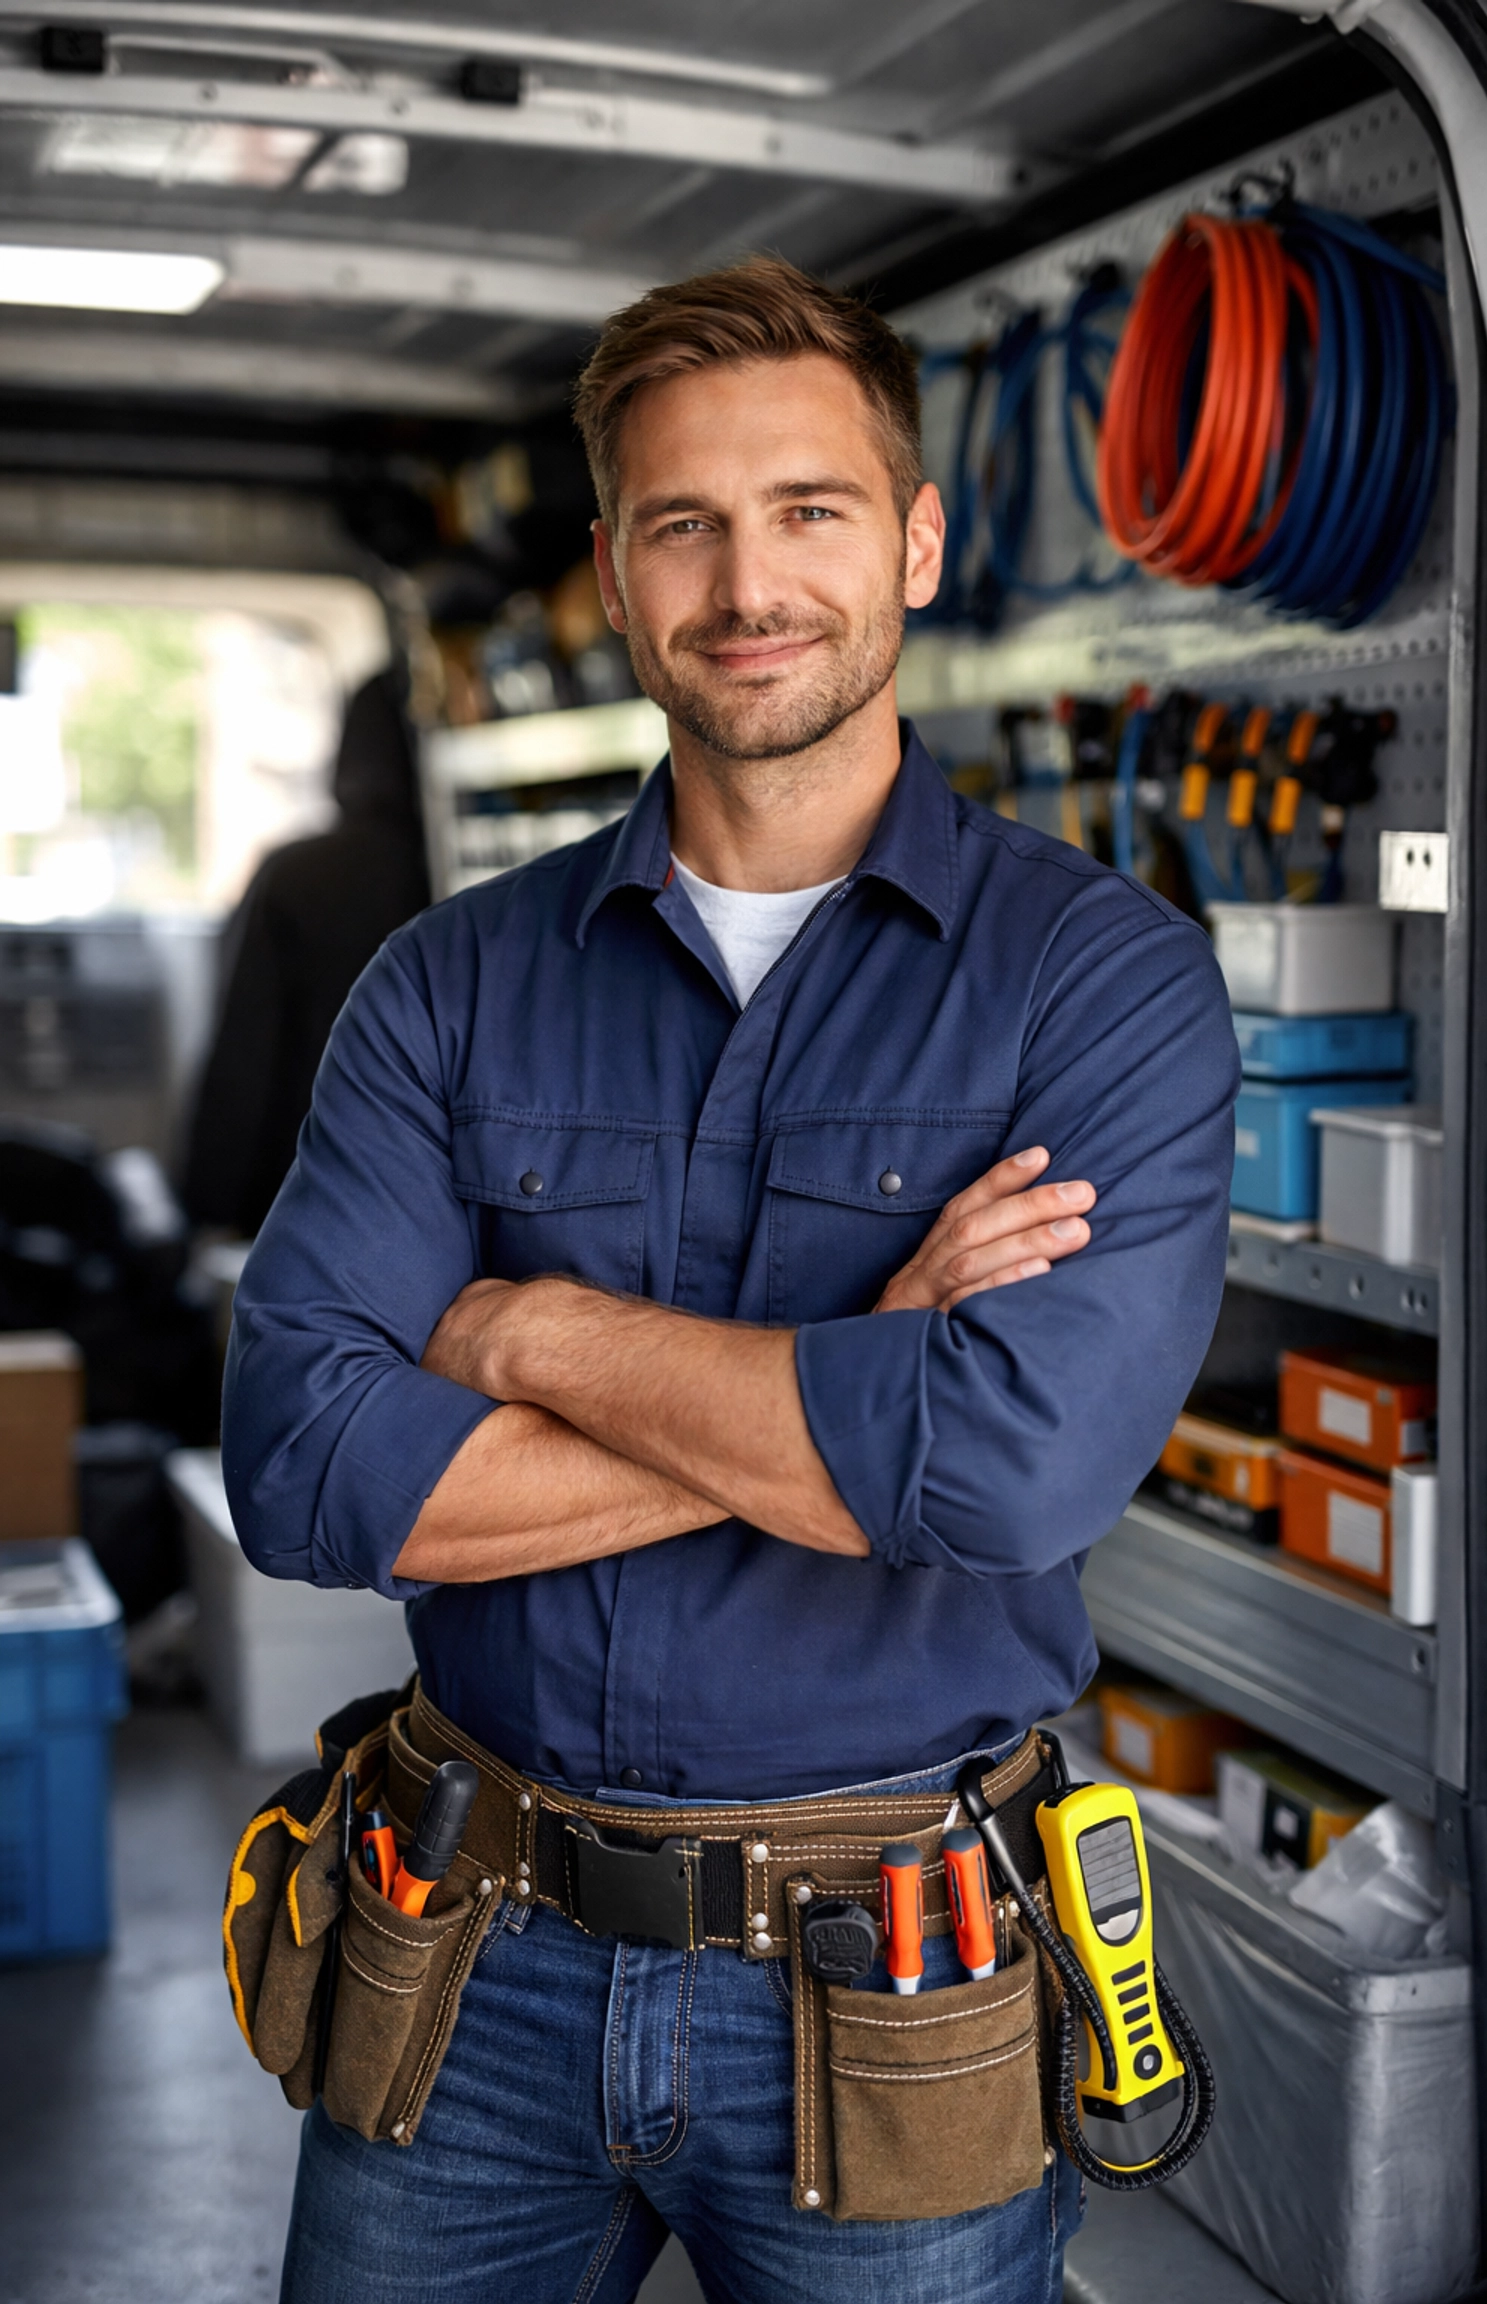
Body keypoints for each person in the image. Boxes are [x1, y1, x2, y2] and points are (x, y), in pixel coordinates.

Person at [226, 256, 1238, 2304]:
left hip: (896, 1975)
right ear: (612, 571)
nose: (745, 580)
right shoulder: (451, 986)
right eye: (683, 522)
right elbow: (310, 1476)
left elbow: (1009, 1480)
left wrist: (525, 1332)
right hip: (468, 1947)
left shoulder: (1098, 982)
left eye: (811, 511)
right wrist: (867, 1367)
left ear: (917, 545)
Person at [182, 668, 430, 1238]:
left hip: (302, 1179)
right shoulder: (484, 880)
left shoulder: (298, 876)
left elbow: (247, 1049)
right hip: (422, 1190)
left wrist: (209, 1205)